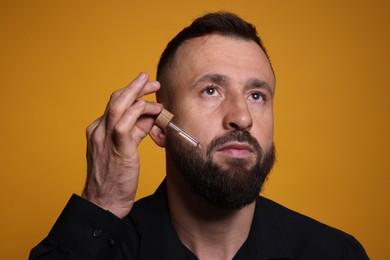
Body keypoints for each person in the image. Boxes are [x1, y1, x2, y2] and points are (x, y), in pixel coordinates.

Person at [30, 12, 368, 259]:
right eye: (210, 90)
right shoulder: (106, 250)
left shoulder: (334, 252)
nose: (242, 118)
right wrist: (100, 204)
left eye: (256, 95)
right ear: (159, 124)